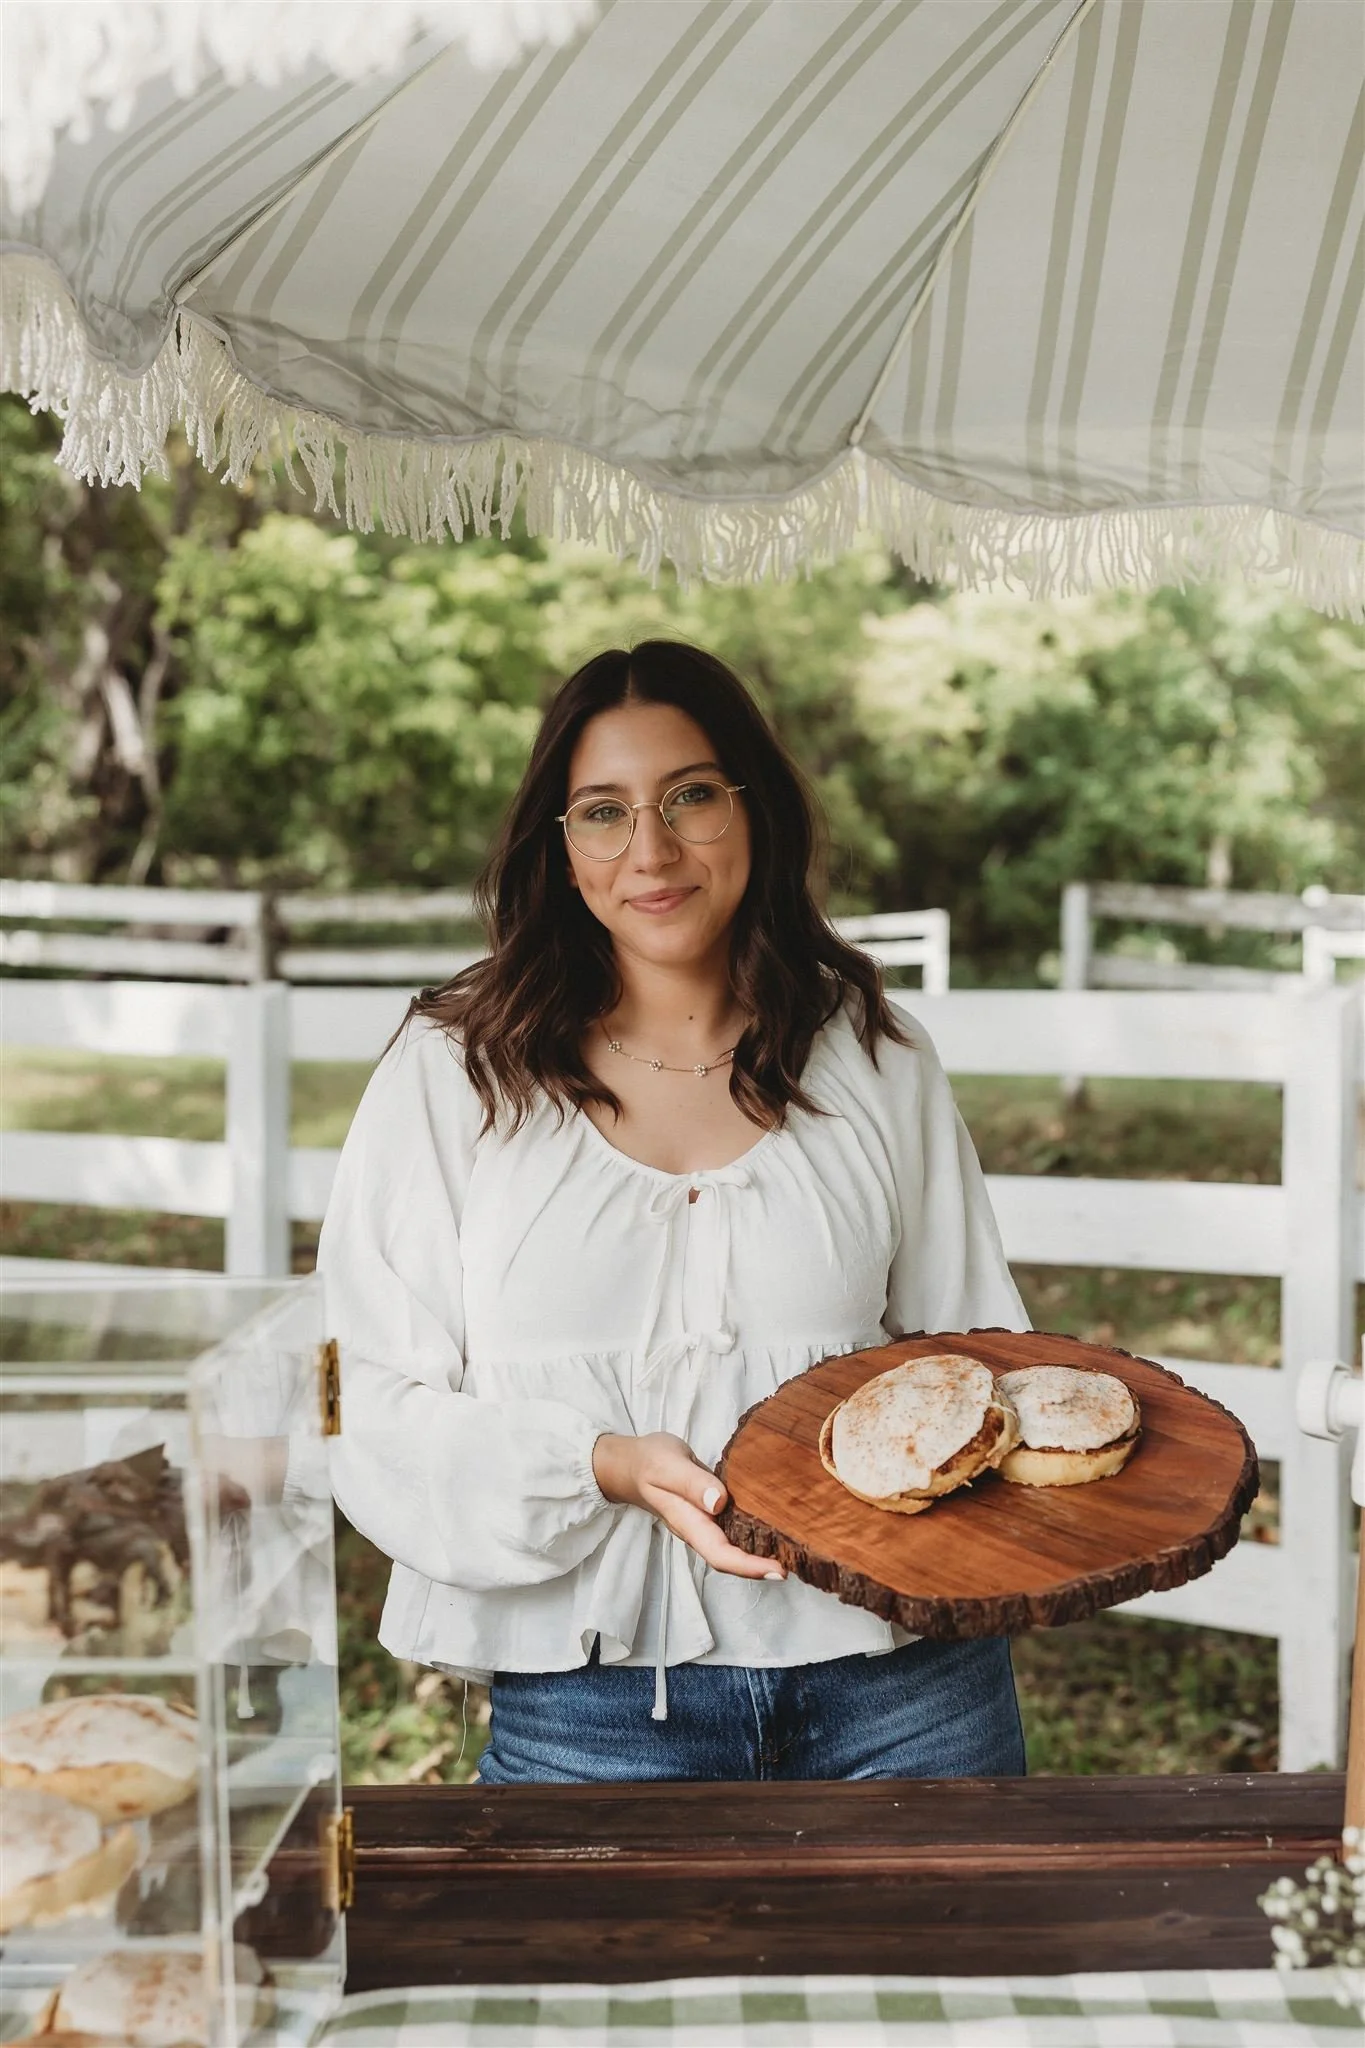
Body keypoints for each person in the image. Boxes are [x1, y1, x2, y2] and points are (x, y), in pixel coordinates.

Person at [318, 639, 1030, 1783]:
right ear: (558, 845)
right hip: (588, 1704)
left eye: (690, 795)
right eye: (602, 811)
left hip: (908, 1691)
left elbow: (979, 1364)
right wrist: (595, 1461)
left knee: (944, 1973)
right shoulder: (453, 1071)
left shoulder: (874, 1056)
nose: (649, 849)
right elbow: (362, 1399)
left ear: (754, 807)